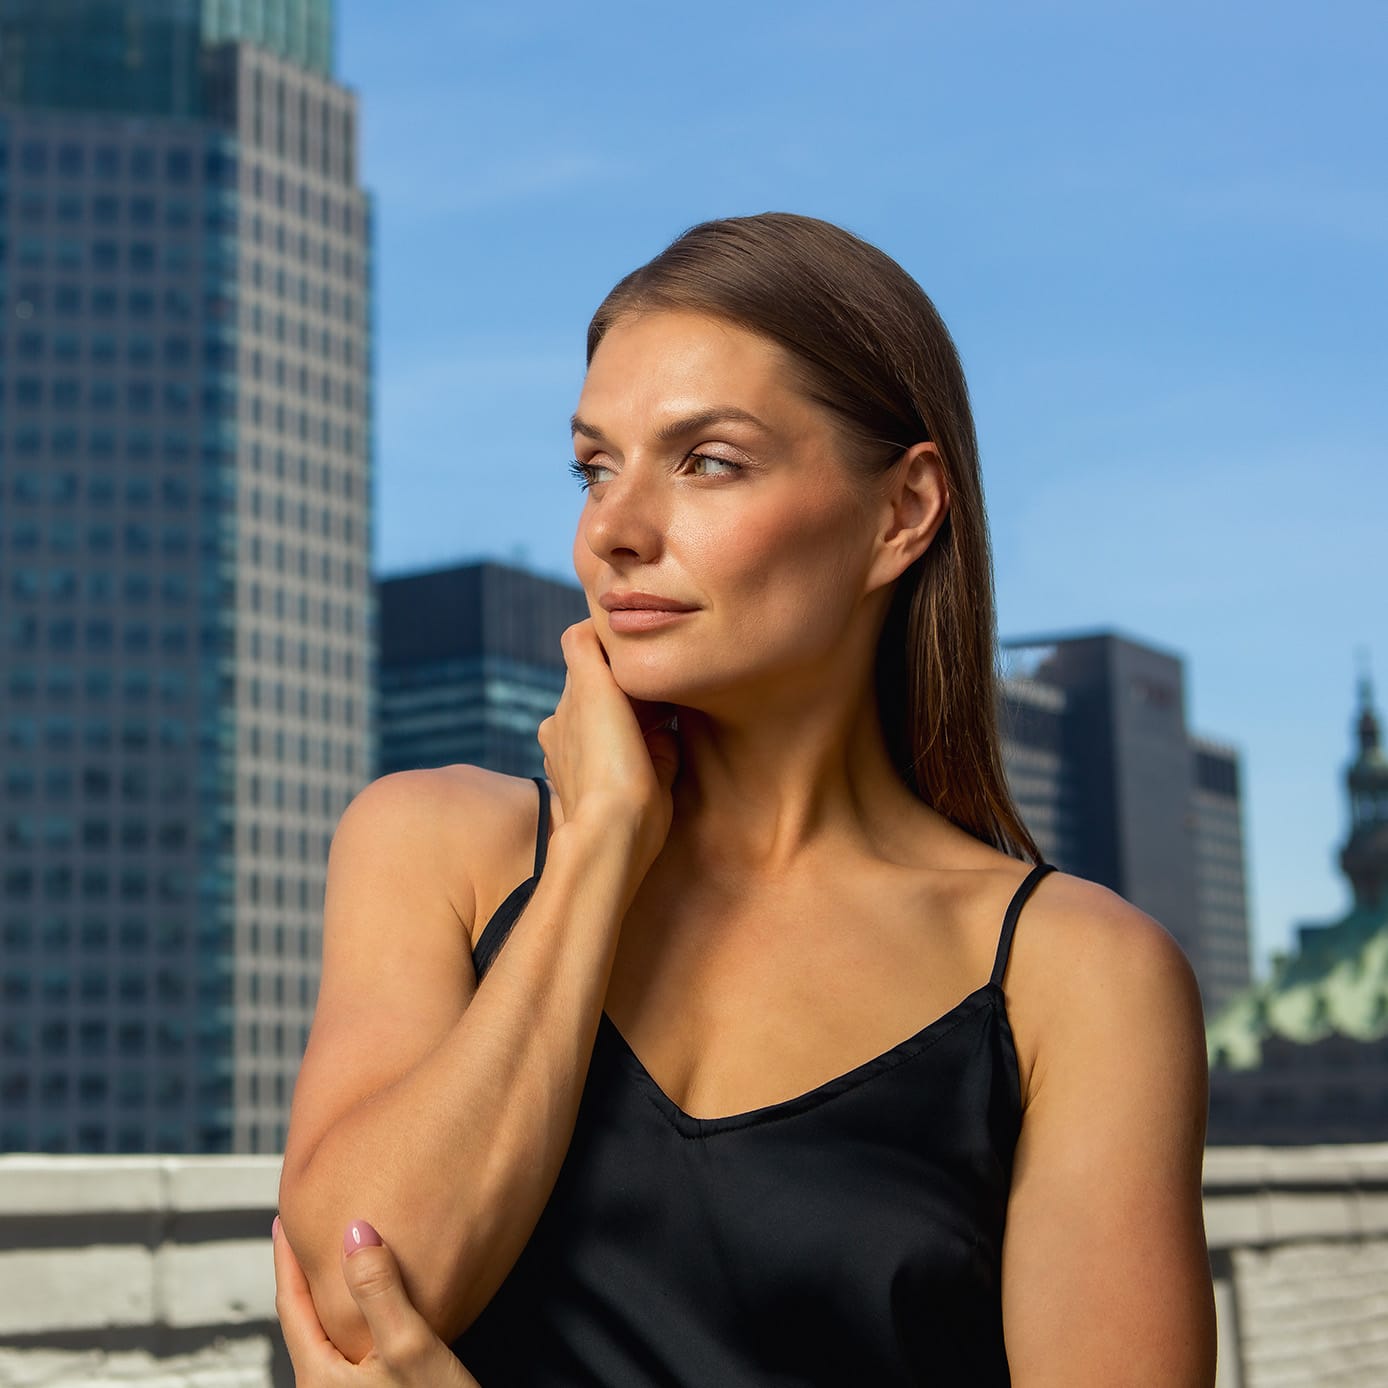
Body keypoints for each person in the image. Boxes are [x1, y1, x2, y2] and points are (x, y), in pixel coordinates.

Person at [274, 212, 1217, 1386]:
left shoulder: (1077, 977)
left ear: (899, 512)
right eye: (593, 464)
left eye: (706, 461)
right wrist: (594, 855)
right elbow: (357, 1298)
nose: (612, 530)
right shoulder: (436, 846)